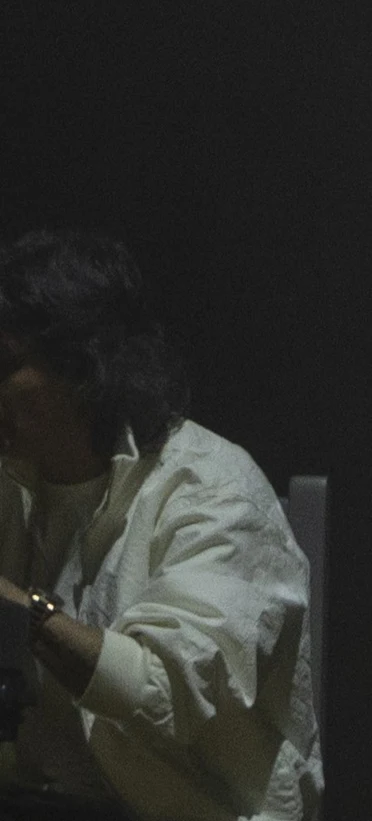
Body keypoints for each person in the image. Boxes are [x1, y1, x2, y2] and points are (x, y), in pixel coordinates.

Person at [0, 231, 322, 821]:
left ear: (81, 366)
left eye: (7, 364)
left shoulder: (215, 490)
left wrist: (20, 612)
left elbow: (165, 690)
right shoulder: (13, 479)